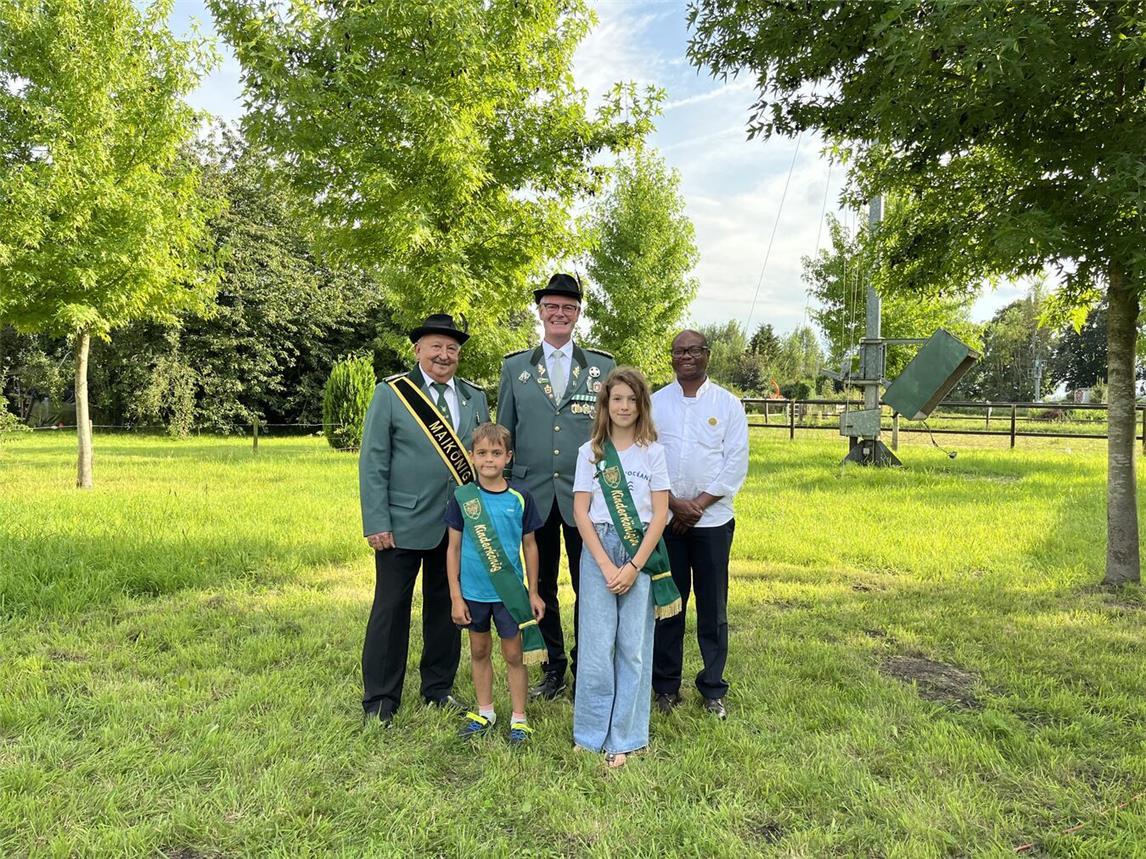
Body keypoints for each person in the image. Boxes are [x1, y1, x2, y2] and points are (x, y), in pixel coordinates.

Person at [359, 313, 490, 726]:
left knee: (446, 608)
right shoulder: (394, 393)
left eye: (452, 348)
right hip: (401, 523)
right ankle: (381, 698)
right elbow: (374, 461)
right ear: (418, 350)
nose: (444, 355)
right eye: (436, 346)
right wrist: (376, 520)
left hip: (455, 525)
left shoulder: (474, 397)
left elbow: (484, 459)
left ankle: (438, 688)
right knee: (390, 609)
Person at [497, 273, 615, 700]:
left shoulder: (603, 366)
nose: (559, 313)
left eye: (568, 306)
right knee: (540, 585)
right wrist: (503, 494)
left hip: (586, 497)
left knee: (591, 585)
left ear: (578, 314)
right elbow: (504, 435)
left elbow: (613, 432)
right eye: (552, 306)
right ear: (541, 311)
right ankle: (552, 665)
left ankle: (588, 665)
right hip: (532, 497)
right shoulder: (515, 368)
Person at [571, 367, 681, 768]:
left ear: (641, 405)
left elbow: (661, 512)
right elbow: (581, 511)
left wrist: (634, 566)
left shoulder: (653, 451)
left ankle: (627, 736)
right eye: (617, 398)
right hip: (598, 548)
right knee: (597, 646)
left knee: (633, 647)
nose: (624, 406)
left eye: (632, 400)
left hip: (641, 552)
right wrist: (603, 563)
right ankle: (590, 732)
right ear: (605, 404)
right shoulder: (591, 452)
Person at [651, 329, 749, 720]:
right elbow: (648, 458)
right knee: (669, 607)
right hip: (669, 521)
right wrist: (675, 505)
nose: (686, 356)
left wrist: (699, 506)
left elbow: (735, 463)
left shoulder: (728, 404)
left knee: (713, 607)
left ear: (707, 354)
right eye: (679, 351)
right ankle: (665, 686)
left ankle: (712, 688)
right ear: (672, 358)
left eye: (693, 350)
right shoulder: (656, 403)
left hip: (713, 522)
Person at [444, 422, 546, 744]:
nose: (490, 460)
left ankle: (519, 718)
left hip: (509, 595)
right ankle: (485, 711)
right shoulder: (463, 498)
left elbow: (530, 545)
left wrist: (533, 591)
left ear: (508, 457)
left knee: (514, 655)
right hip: (474, 594)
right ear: (472, 456)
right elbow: (454, 548)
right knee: (479, 650)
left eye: (497, 453)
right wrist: (456, 596)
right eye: (483, 453)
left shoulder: (520, 498)